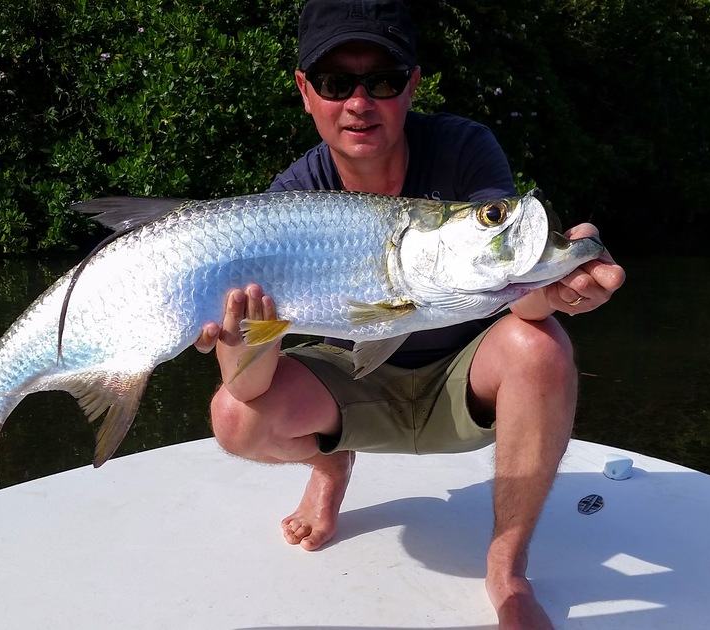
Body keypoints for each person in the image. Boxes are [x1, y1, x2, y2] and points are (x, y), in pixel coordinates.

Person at [194, 1, 625, 628]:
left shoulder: (465, 149)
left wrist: (556, 281)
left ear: (413, 86)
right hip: (353, 383)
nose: (360, 102)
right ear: (306, 92)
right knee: (234, 413)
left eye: (383, 81)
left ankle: (507, 571)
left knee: (543, 344)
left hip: (463, 378)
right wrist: (242, 335)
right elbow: (247, 383)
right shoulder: (285, 204)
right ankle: (329, 463)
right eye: (337, 83)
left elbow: (514, 288)